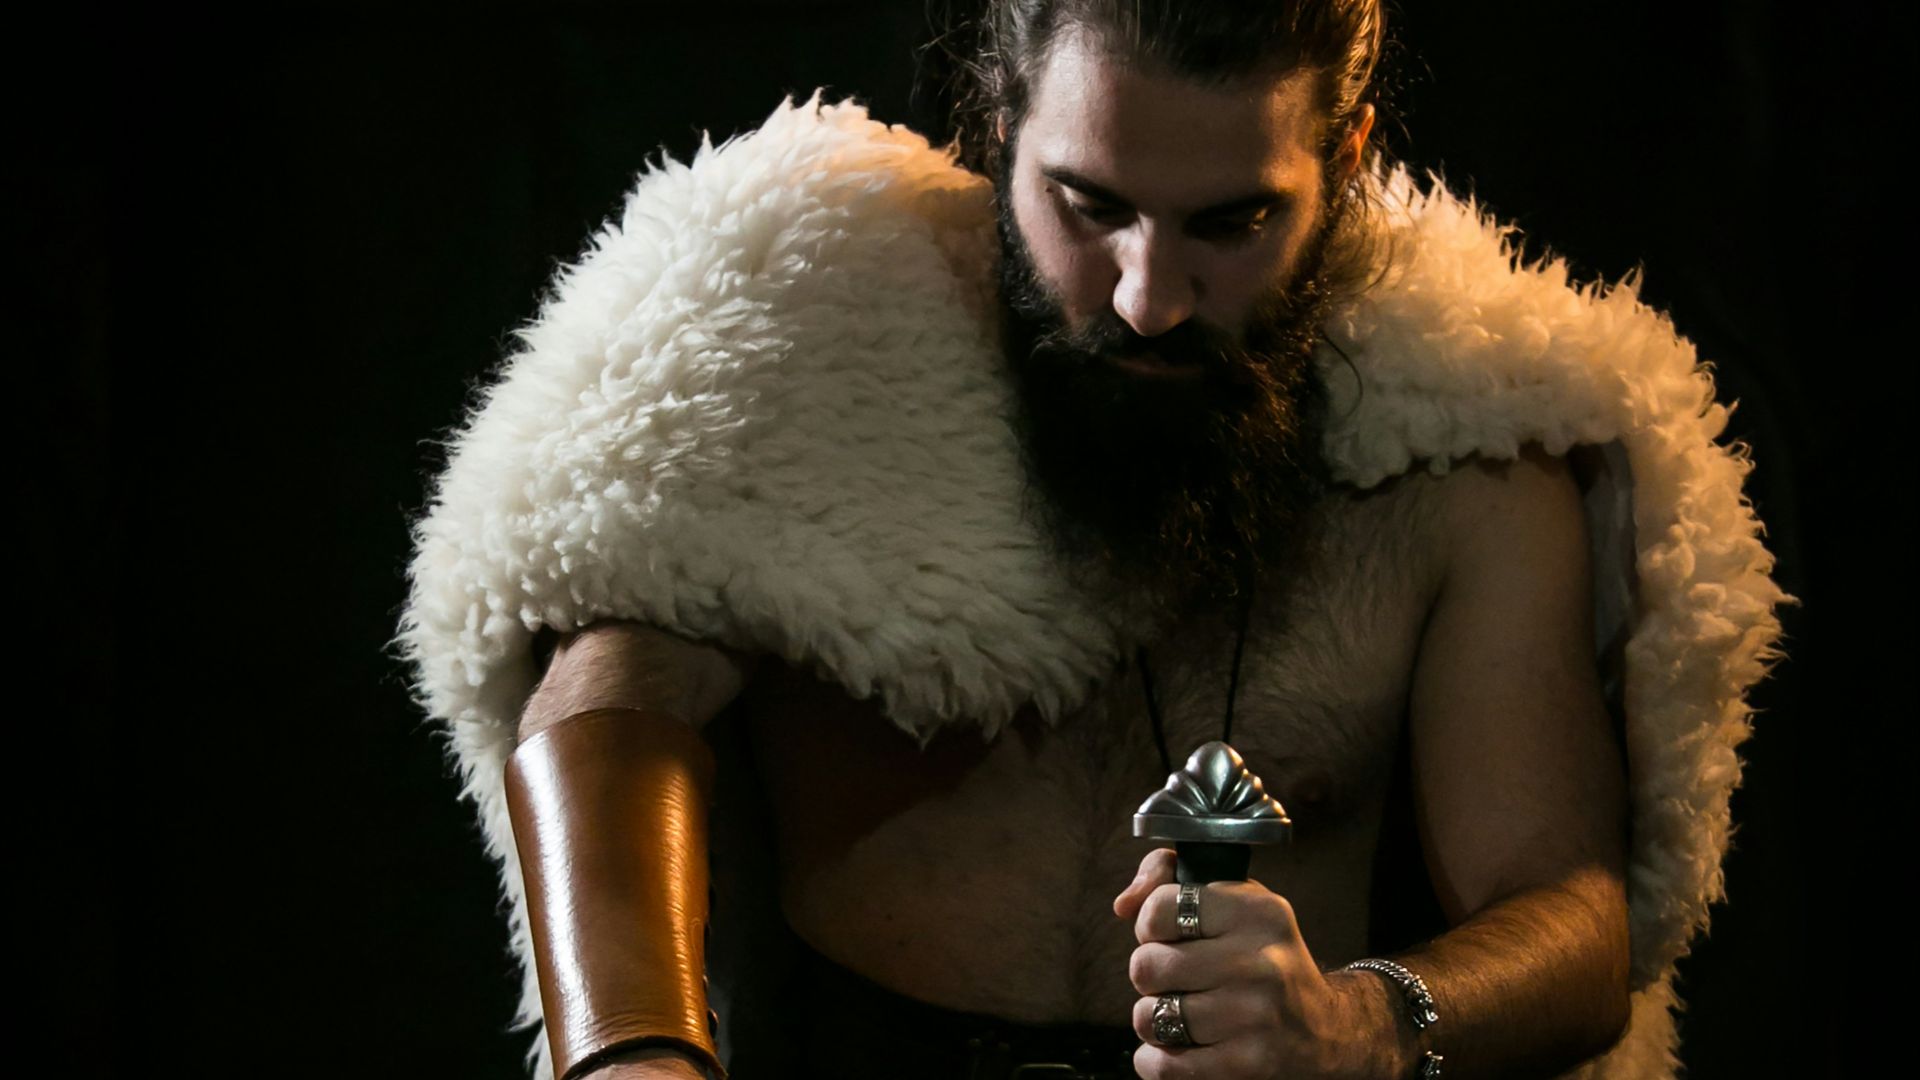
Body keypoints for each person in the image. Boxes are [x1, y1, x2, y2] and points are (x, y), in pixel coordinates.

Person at [394, 3, 1789, 1079]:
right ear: (999, 123)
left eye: (1233, 224)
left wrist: (1358, 1028)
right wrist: (635, 1051)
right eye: (1090, 206)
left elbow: (1570, 911)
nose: (1148, 300)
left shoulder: (1463, 461)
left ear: (1346, 162)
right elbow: (611, 696)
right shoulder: (794, 352)